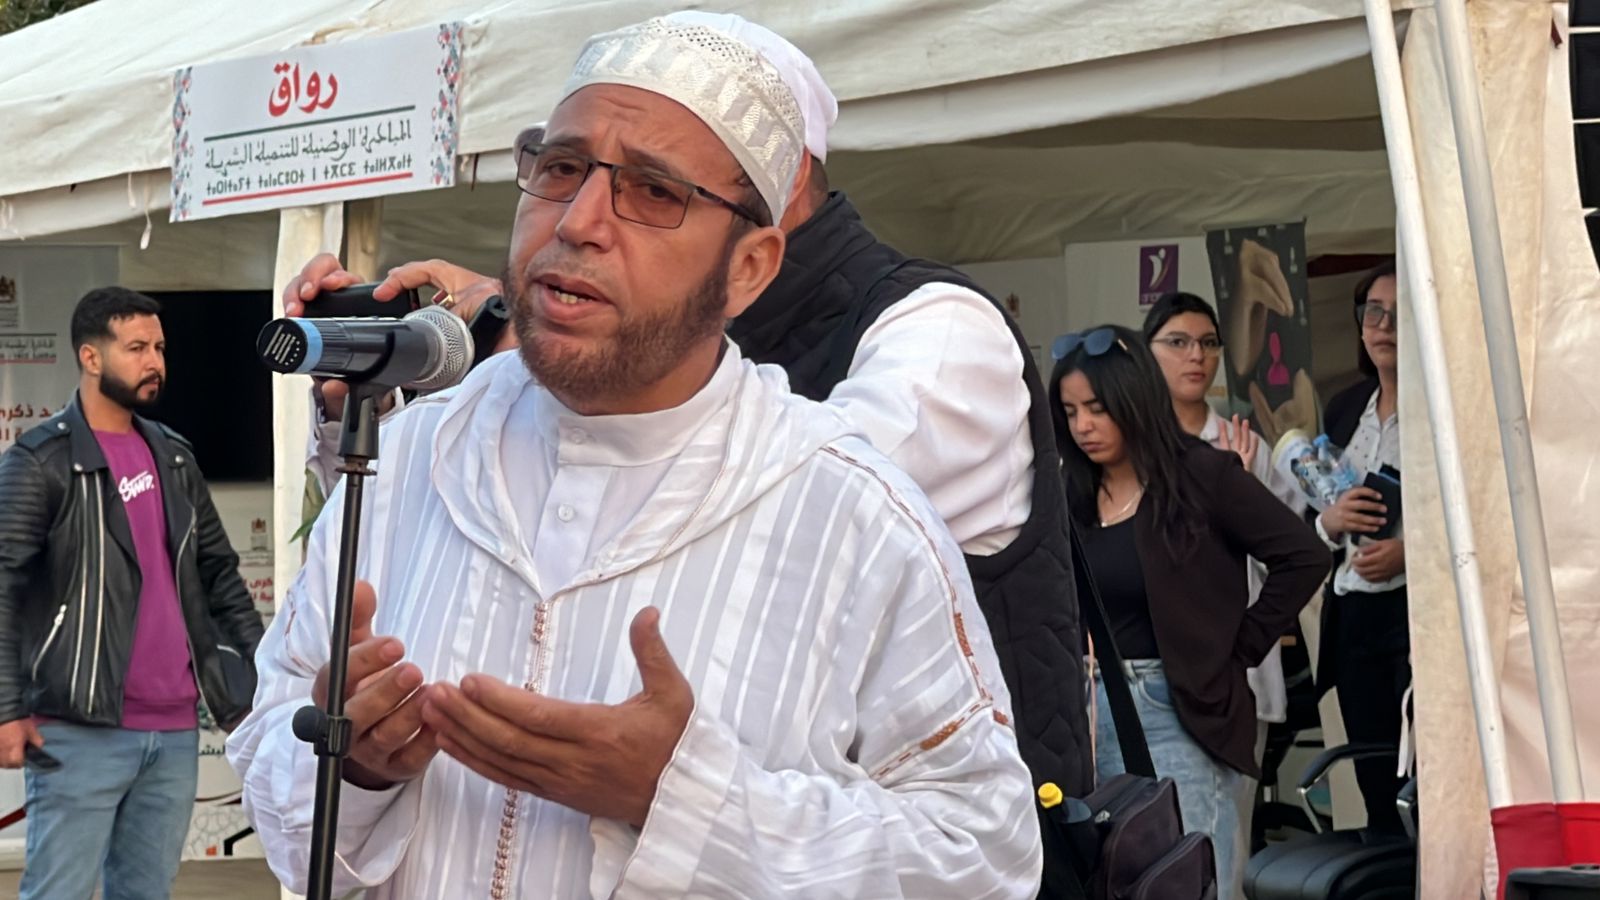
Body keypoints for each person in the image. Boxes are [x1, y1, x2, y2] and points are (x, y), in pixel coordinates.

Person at [228, 15, 1041, 899]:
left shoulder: (850, 510)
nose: (579, 222)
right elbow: (272, 761)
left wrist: (682, 801)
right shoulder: (412, 458)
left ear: (749, 267)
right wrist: (354, 768)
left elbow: (983, 857)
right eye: (560, 168)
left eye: (654, 191)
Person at [0, 287, 263, 900]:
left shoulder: (174, 456)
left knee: (147, 893)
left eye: (160, 349)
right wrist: (7, 708)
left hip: (174, 730)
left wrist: (261, 678)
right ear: (91, 357)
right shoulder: (39, 462)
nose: (155, 363)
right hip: (78, 727)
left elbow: (220, 574)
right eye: (137, 348)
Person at [1048, 325, 1328, 899]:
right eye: (1071, 412)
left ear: (1134, 400)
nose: (1083, 427)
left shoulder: (1203, 474)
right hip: (1089, 711)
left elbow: (1304, 557)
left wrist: (1238, 649)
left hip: (1179, 710)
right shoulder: (1070, 491)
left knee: (1188, 881)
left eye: (1097, 409)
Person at [1141, 292, 1309, 781]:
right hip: (1152, 670)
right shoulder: (1133, 451)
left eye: (1209, 343)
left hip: (1232, 672)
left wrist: (1241, 490)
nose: (1196, 355)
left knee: (1228, 819)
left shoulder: (1247, 446)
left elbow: (1290, 558)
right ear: (1146, 354)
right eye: (1178, 342)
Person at [1313, 260, 1410, 834]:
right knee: (1373, 778)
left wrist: (1411, 554)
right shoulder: (1345, 407)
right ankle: (1385, 870)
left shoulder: (1444, 408)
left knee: (1420, 779)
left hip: (1415, 617)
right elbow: (1320, 509)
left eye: (1399, 314)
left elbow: (1479, 509)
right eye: (1374, 312)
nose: (1384, 326)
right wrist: (1329, 522)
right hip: (1352, 614)